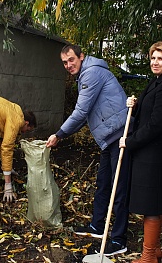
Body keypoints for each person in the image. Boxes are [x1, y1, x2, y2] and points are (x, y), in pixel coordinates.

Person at [46, 44, 131, 256]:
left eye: (71, 60)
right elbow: (88, 112)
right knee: (103, 183)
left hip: (120, 134)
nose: (68, 65)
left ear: (81, 56)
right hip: (108, 137)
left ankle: (119, 240)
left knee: (118, 188)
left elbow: (81, 112)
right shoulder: (88, 73)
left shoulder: (91, 73)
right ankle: (97, 226)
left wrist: (59, 134)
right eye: (64, 62)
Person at [119, 42, 162, 263]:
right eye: (153, 58)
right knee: (151, 202)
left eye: (160, 58)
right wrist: (134, 105)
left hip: (154, 155)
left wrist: (130, 141)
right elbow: (147, 112)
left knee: (151, 203)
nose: (155, 62)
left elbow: (156, 124)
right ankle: (153, 250)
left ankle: (148, 257)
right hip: (147, 154)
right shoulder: (154, 82)